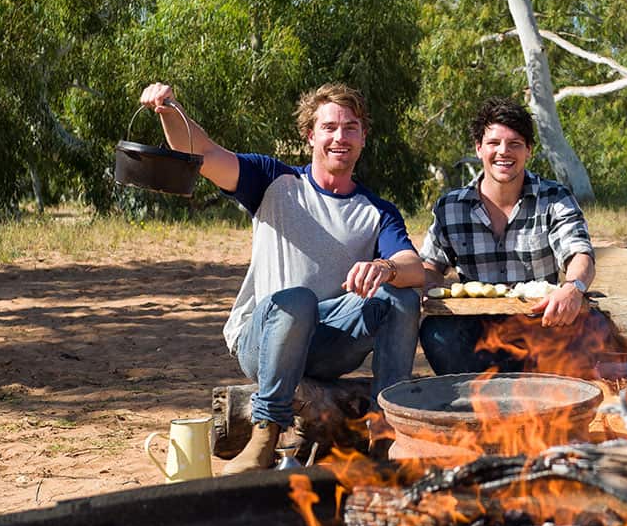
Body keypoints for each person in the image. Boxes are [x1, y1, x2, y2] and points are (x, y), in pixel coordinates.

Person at [140, 81, 423, 474]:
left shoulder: (376, 211)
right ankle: (265, 434)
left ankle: (385, 433)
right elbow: (201, 152)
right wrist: (169, 110)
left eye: (350, 127)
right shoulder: (274, 180)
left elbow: (415, 267)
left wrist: (385, 267)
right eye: (329, 127)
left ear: (362, 138)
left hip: (327, 344)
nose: (340, 137)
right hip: (265, 339)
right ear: (310, 135)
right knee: (298, 300)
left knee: (402, 297)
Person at [419, 98, 620, 378]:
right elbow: (430, 265)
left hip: (543, 327)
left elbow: (580, 255)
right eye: (494, 143)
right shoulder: (450, 207)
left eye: (515, 144)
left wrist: (573, 288)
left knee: (594, 326)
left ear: (529, 151)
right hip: (479, 334)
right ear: (479, 148)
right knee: (436, 332)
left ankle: (553, 399)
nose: (504, 152)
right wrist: (425, 288)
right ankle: (482, 408)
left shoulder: (554, 198)